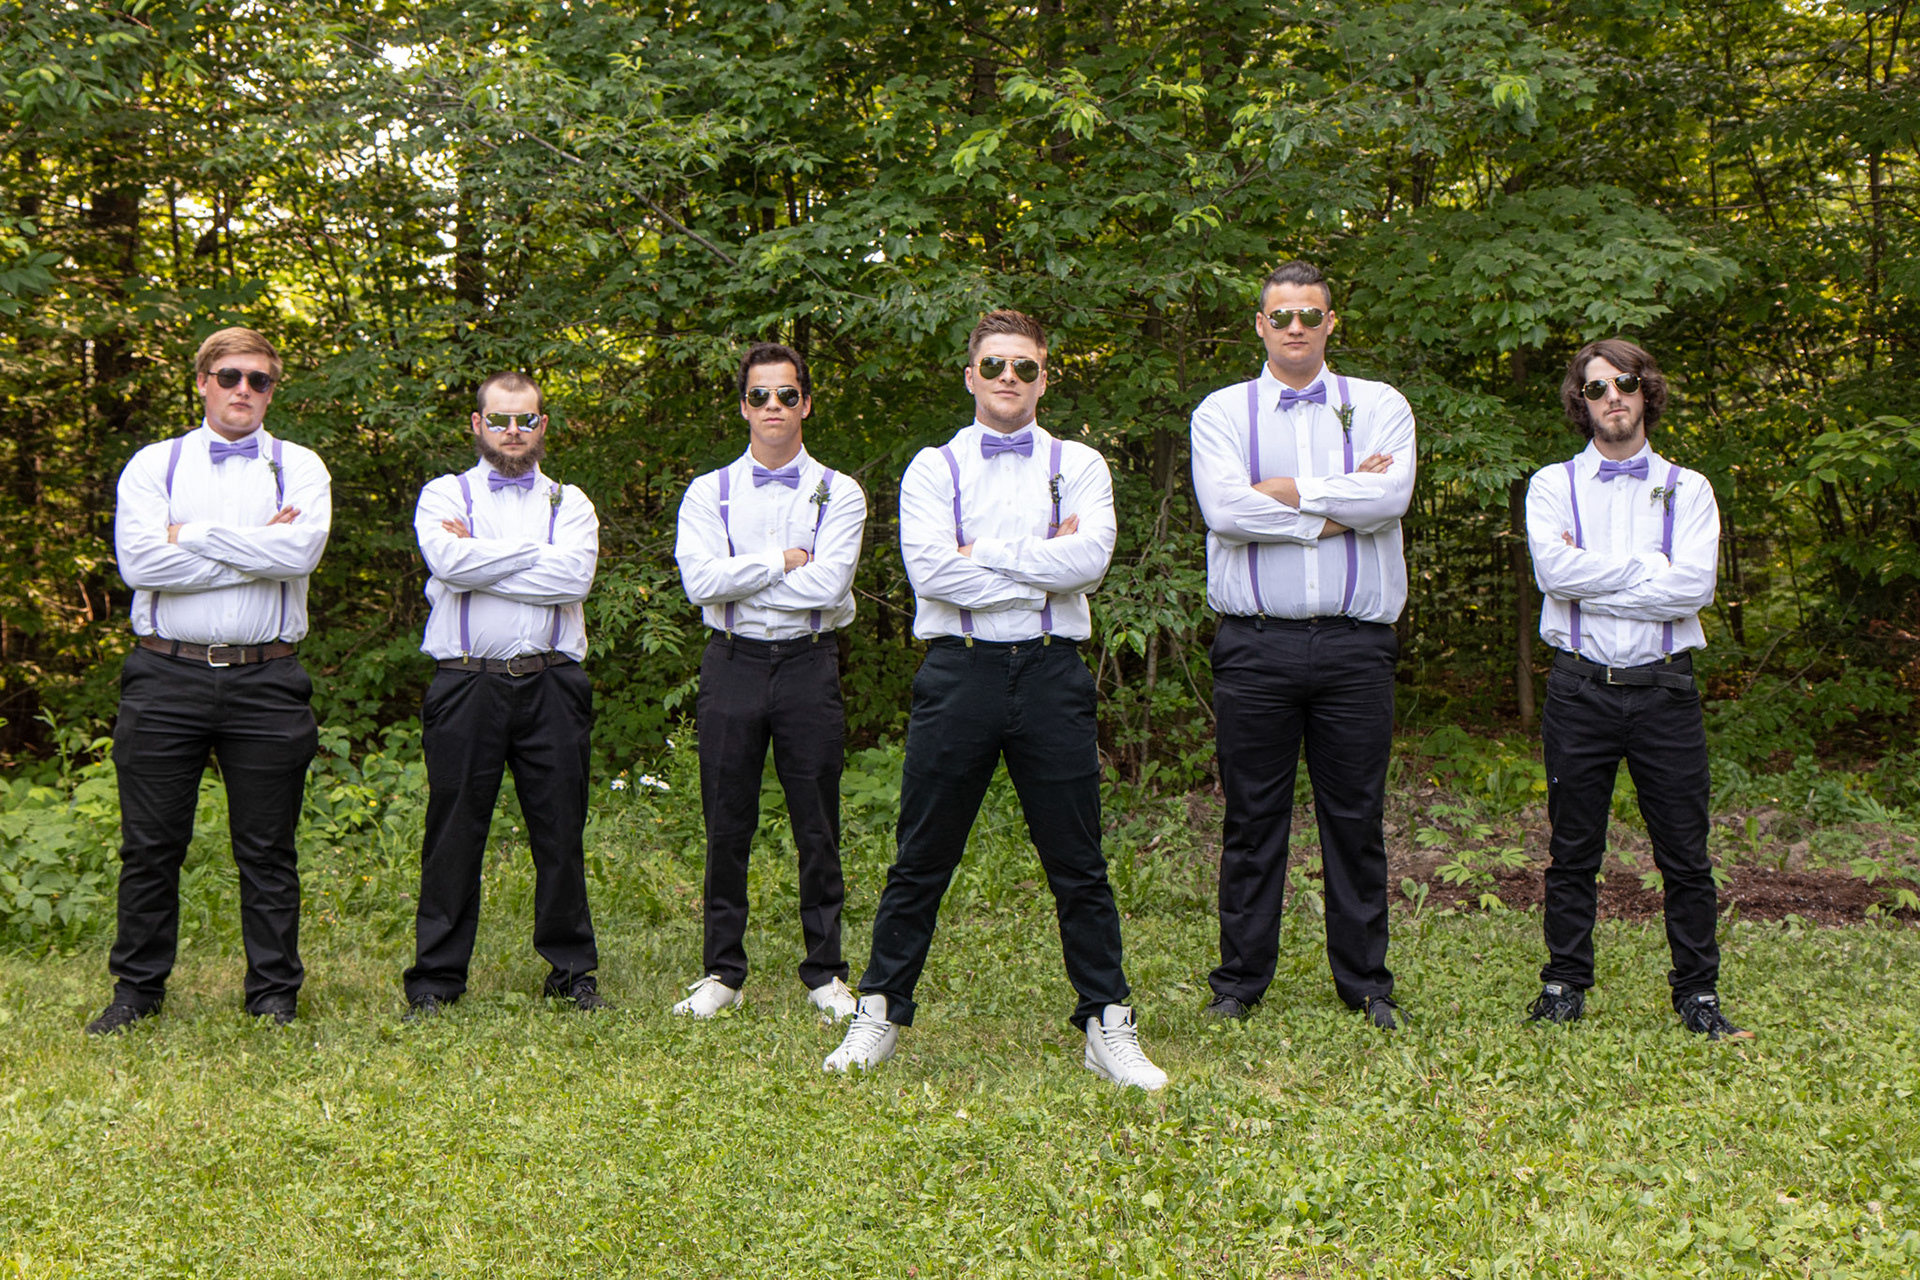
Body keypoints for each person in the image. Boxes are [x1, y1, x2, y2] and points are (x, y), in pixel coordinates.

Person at [824, 310, 1167, 1090]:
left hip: (1052, 672)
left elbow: (1090, 563)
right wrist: (1043, 563)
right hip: (961, 671)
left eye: (1024, 367)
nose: (1009, 378)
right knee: (921, 856)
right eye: (994, 366)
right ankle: (878, 1012)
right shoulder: (933, 468)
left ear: (1044, 377)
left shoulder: (1080, 463)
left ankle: (1107, 1023)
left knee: (1079, 861)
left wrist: (984, 553)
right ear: (970, 376)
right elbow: (932, 573)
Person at [1188, 260, 1415, 1030]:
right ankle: (1238, 984)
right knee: (1253, 821)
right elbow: (1225, 512)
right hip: (1255, 647)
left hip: (1357, 647)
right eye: (1281, 315)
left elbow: (1391, 496)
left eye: (1310, 315)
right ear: (1260, 325)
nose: (1295, 327)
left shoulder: (1380, 405)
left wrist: (1282, 492)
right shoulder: (1222, 412)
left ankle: (1367, 985)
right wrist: (1339, 506)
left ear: (1330, 323)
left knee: (1356, 819)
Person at [88, 326, 331, 1034]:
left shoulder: (299, 467)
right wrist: (260, 547)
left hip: (267, 677)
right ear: (202, 382)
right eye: (229, 376)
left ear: (272, 390)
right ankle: (137, 992)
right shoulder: (155, 465)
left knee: (268, 848)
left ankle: (273, 994)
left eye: (259, 379)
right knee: (151, 846)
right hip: (165, 675)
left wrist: (186, 535)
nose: (243, 390)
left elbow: (300, 554)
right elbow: (141, 565)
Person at [1522, 339, 1753, 1039]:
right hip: (1579, 688)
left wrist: (1594, 576)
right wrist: (1649, 567)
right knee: (1573, 851)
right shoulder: (1553, 485)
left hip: (1665, 691)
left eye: (1624, 383)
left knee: (1685, 854)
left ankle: (1698, 995)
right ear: (1581, 401)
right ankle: (1563, 985)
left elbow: (1694, 588)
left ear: (1645, 390)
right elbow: (1554, 575)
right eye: (1596, 388)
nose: (1612, 397)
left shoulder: (1690, 488)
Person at [671, 342, 868, 1021]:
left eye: (787, 394)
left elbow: (830, 587)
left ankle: (826, 973)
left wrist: (742, 576)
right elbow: (700, 583)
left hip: (809, 662)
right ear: (743, 407)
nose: (773, 406)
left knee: (818, 822)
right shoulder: (710, 491)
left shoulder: (839, 491)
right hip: (733, 662)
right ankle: (722, 972)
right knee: (727, 820)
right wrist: (784, 561)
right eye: (760, 395)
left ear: (806, 404)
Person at [403, 372, 606, 1018]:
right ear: (477, 424)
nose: (512, 431)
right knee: (453, 834)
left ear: (542, 425)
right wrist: (529, 557)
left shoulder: (570, 502)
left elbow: (573, 577)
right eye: (499, 419)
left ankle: (571, 975)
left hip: (553, 682)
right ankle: (436, 981)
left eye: (525, 419)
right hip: (467, 682)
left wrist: (481, 557)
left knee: (561, 832)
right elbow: (447, 563)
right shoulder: (446, 493)